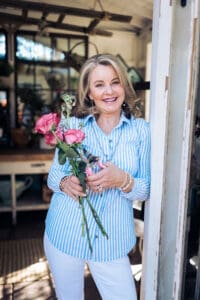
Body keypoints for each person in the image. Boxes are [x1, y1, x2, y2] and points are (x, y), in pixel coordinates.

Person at [44, 53, 151, 300]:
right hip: (64, 233)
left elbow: (145, 188)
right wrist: (66, 183)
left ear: (124, 85)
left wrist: (122, 179)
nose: (109, 91)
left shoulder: (142, 131)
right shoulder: (72, 125)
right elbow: (53, 176)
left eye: (115, 82)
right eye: (99, 84)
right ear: (89, 92)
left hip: (111, 242)